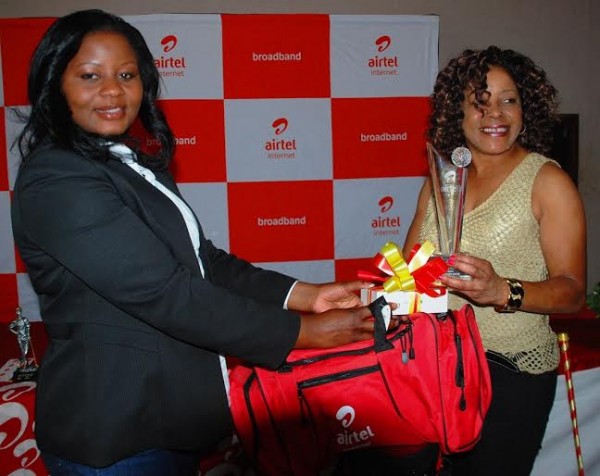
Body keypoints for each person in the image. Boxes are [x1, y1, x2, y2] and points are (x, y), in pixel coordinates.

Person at [10, 9, 381, 475]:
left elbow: (205, 262)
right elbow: (164, 293)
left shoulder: (131, 164)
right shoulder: (57, 178)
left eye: (127, 75)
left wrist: (308, 296)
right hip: (116, 433)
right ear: (54, 84)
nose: (112, 90)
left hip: (169, 421)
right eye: (90, 76)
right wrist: (303, 334)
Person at [404, 46, 587, 475]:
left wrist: (502, 289)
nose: (496, 114)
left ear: (526, 108)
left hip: (509, 373)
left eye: (509, 99)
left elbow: (573, 291)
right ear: (458, 111)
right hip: (432, 367)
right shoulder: (440, 180)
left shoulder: (547, 181)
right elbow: (412, 273)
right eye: (480, 101)